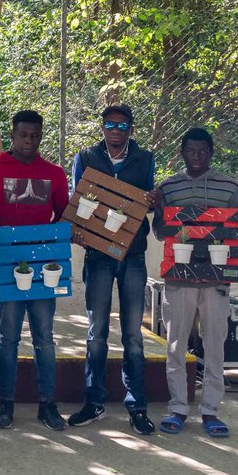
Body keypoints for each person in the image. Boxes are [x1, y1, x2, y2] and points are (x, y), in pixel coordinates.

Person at [0, 110, 70, 431]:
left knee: (45, 338)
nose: (29, 141)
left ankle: (47, 404)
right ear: (13, 135)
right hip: (7, 268)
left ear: (41, 136)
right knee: (9, 337)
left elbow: (63, 216)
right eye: (23, 135)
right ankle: (6, 403)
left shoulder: (55, 174)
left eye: (35, 135)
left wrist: (52, 245)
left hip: (44, 270)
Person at [68, 105, 157, 434]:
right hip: (99, 255)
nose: (116, 129)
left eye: (122, 125)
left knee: (133, 335)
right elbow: (80, 200)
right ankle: (95, 402)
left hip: (133, 255)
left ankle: (137, 405)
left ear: (131, 129)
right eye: (110, 124)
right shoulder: (86, 156)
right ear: (102, 127)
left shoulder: (144, 159)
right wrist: (77, 229)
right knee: (97, 333)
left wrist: (152, 200)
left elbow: (144, 203)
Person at [149, 128, 238, 437]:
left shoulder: (230, 186)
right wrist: (163, 210)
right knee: (176, 344)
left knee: (215, 344)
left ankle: (211, 411)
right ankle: (177, 408)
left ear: (211, 153)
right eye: (191, 151)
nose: (197, 156)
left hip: (216, 279)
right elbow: (161, 233)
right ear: (182, 153)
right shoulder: (169, 187)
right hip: (178, 279)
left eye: (203, 151)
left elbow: (236, 232)